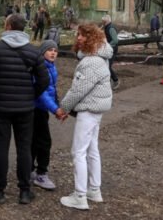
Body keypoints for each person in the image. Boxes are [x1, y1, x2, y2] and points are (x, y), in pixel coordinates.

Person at [0, 14, 49, 205]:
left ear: (8, 26)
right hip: (25, 108)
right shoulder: (33, 52)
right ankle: (24, 191)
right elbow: (44, 80)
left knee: (1, 147)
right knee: (24, 148)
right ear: (23, 29)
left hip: (1, 106)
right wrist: (30, 95)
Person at [58, 23, 113, 211]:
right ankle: (94, 190)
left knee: (78, 151)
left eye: (82, 35)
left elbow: (78, 90)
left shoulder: (91, 62)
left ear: (92, 38)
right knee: (91, 149)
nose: (78, 38)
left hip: (89, 110)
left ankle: (80, 196)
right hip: (96, 109)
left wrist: (63, 108)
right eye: (78, 35)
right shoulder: (99, 57)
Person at [31, 40, 65, 191]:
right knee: (44, 141)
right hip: (35, 108)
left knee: (36, 140)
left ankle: (30, 170)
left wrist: (57, 106)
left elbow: (52, 89)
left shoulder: (51, 67)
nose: (53, 53)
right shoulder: (40, 67)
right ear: (42, 52)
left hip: (42, 109)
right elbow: (42, 93)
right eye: (50, 50)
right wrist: (55, 109)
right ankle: (40, 174)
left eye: (55, 50)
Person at [101, 14, 119, 90]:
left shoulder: (111, 28)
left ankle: (116, 81)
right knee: (106, 66)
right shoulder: (106, 27)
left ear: (106, 21)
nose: (102, 22)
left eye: (103, 21)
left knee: (108, 66)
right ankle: (108, 82)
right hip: (109, 49)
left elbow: (115, 40)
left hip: (112, 49)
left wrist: (107, 45)